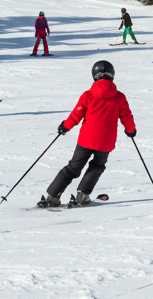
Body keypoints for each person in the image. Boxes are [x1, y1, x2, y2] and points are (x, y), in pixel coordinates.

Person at [39, 60, 136, 207]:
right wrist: (131, 131)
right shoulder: (119, 97)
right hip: (105, 141)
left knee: (73, 167)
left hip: (86, 139)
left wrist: (65, 126)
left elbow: (77, 114)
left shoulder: (88, 95)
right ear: (112, 76)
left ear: (94, 76)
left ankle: (53, 195)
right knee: (97, 166)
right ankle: (82, 195)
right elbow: (127, 117)